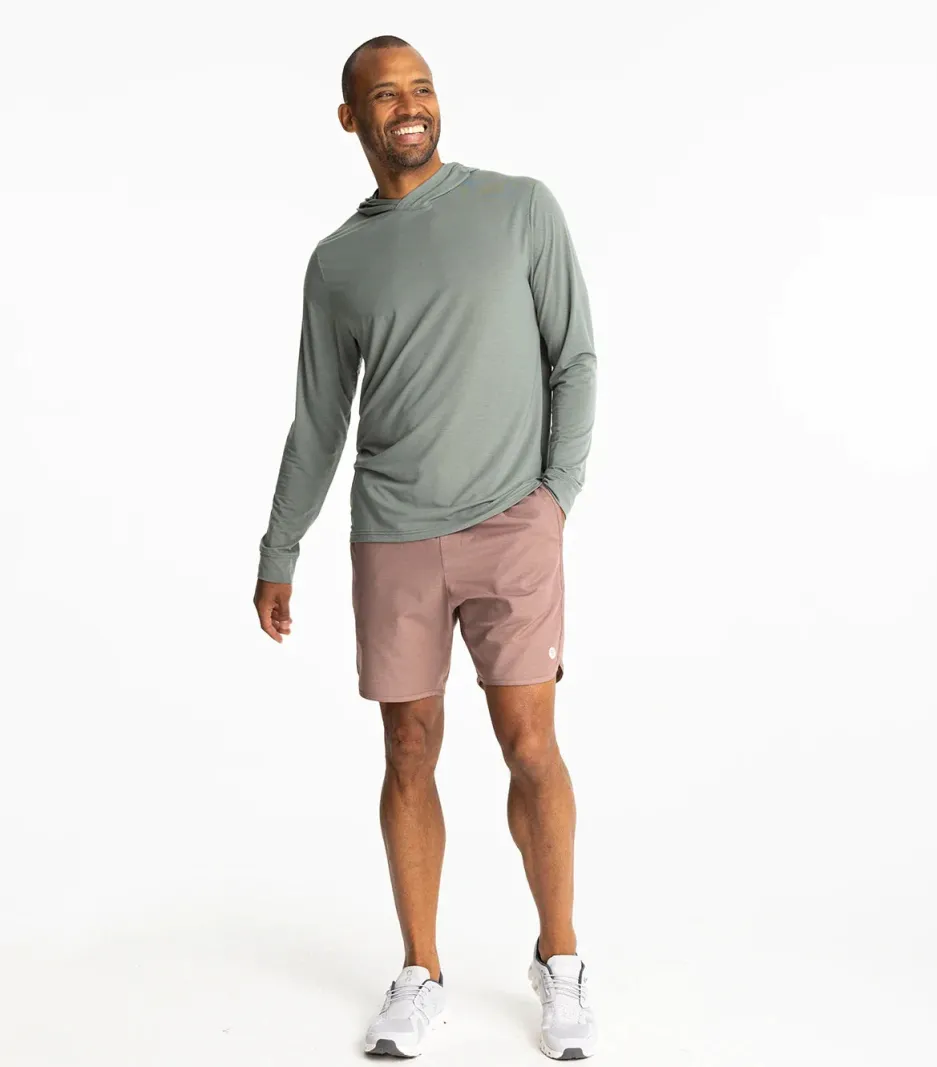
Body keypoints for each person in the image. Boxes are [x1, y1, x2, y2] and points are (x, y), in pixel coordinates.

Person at [253, 35, 598, 1060]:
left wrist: (555, 498)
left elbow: (574, 355)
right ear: (350, 118)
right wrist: (280, 547)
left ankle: (562, 958)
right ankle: (420, 969)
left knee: (529, 743)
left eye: (422, 88)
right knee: (408, 748)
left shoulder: (518, 207)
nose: (409, 106)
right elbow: (320, 420)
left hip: (512, 524)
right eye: (384, 94)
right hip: (393, 535)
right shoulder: (338, 262)